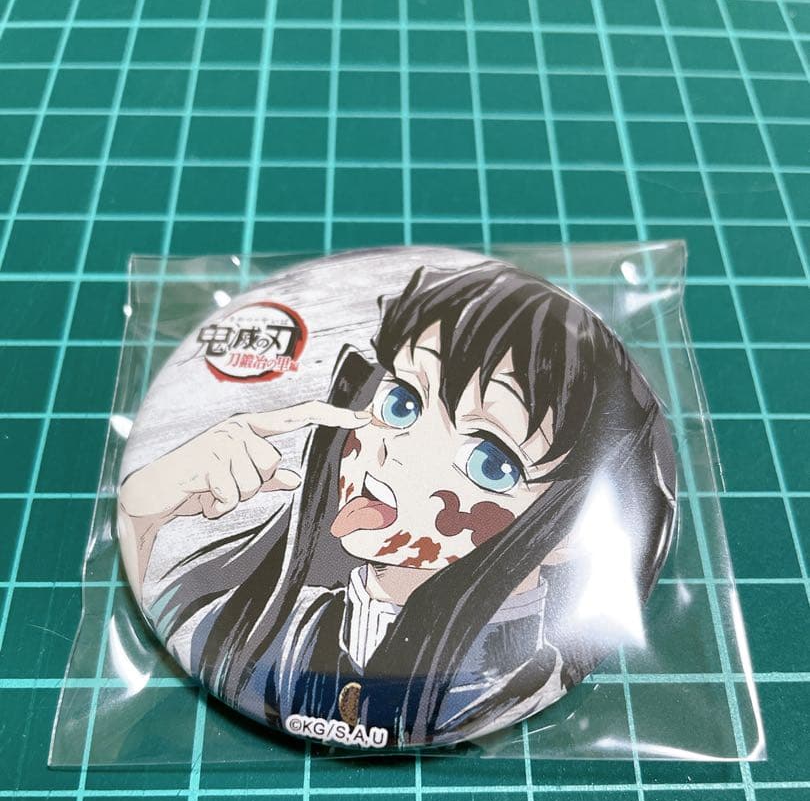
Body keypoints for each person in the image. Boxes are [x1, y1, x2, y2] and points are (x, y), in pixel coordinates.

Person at [118, 261, 676, 747]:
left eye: (490, 461)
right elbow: (172, 622)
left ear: (571, 530)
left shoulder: (514, 687)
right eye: (403, 401)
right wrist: (145, 517)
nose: (393, 451)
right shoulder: (276, 630)